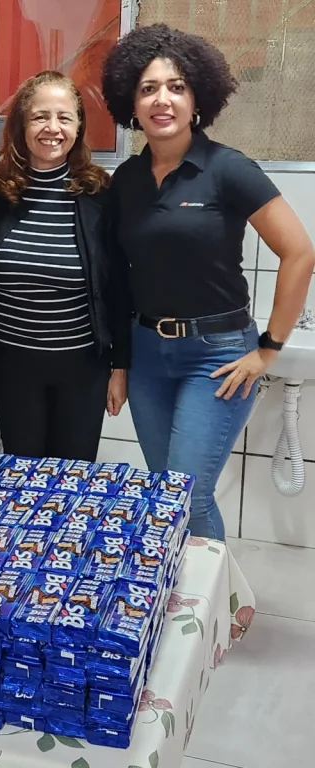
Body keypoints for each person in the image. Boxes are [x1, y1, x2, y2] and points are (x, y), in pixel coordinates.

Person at [102, 24, 315, 540]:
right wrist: (119, 364)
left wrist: (268, 349)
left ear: (197, 98)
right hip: (147, 354)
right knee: (164, 495)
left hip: (216, 356)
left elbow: (300, 252)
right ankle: (181, 588)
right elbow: (118, 277)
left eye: (176, 87)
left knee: (188, 498)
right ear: (131, 102)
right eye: (148, 88)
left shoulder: (227, 169)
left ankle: (214, 592)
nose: (162, 99)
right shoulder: (125, 181)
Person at [0, 71, 129, 462]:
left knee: (72, 479)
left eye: (64, 117)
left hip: (83, 368)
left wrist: (120, 367)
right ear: (21, 125)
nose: (52, 128)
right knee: (22, 474)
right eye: (40, 116)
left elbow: (118, 287)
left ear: (78, 127)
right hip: (12, 365)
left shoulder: (99, 193)